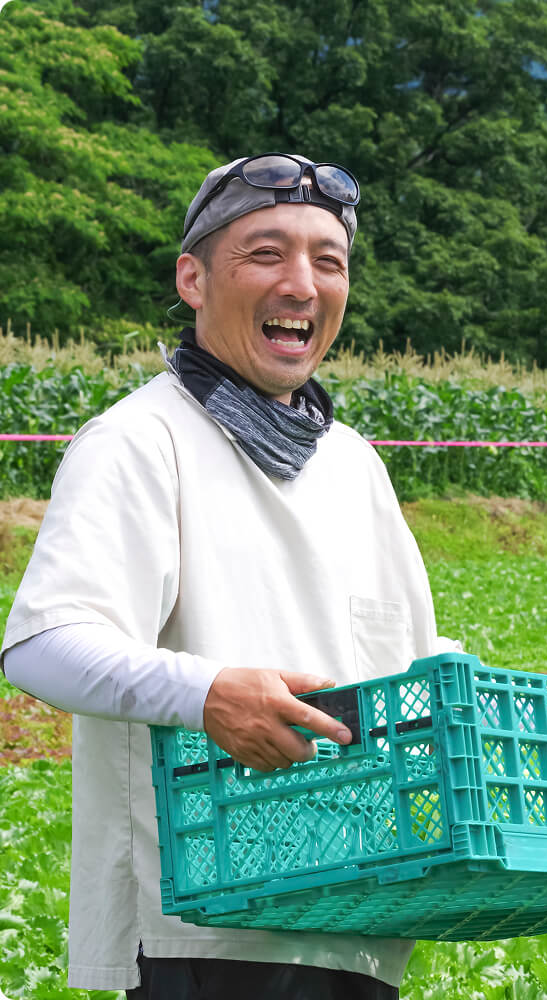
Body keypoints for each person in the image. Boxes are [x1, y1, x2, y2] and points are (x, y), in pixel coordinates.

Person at [1, 154, 448, 999]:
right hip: (205, 937)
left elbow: (407, 660)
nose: (302, 283)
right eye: (266, 253)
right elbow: (43, 642)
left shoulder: (353, 463)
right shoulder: (142, 442)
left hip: (358, 924)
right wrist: (207, 695)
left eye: (328, 261)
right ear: (193, 280)